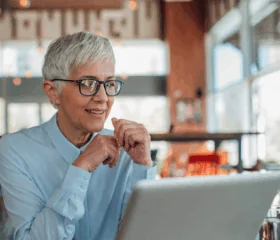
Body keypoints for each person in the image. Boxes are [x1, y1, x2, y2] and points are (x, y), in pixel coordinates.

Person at [0, 32, 157, 240]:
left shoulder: (126, 150)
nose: (102, 98)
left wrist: (143, 167)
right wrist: (82, 167)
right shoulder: (13, 150)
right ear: (53, 91)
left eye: (109, 84)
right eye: (88, 83)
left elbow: (144, 234)